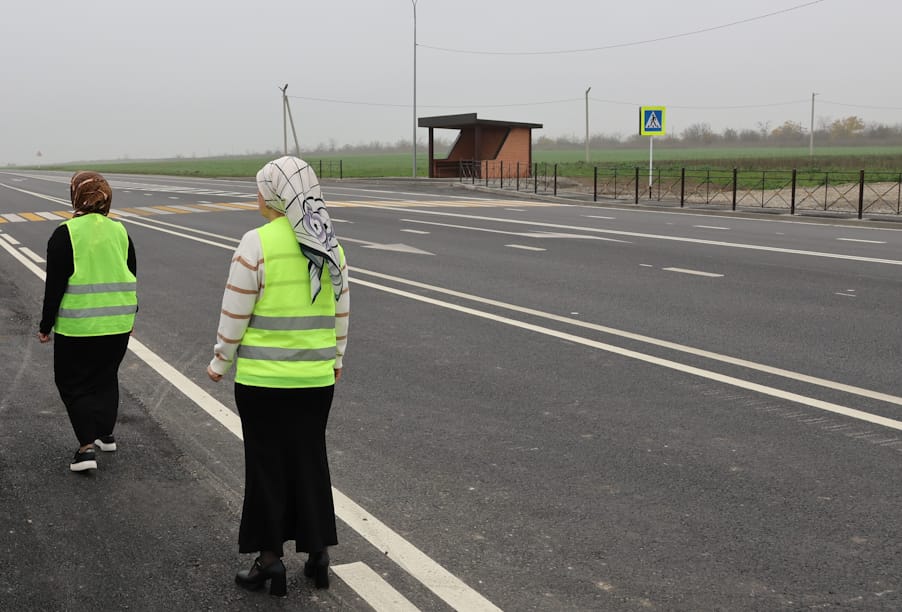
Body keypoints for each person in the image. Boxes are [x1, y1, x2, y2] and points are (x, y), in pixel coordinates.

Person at [207, 156, 350, 596]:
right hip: (315, 381)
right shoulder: (329, 242)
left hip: (263, 382)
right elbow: (341, 308)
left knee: (266, 467)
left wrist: (220, 360)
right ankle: (318, 555)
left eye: (260, 190)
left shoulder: (256, 243)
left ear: (274, 195)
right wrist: (336, 358)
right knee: (310, 461)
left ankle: (269, 562)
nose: (257, 197)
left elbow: (236, 309)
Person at [38, 171, 138, 473]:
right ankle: (105, 435)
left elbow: (54, 286)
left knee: (73, 383)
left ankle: (85, 449)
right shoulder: (120, 231)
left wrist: (45, 325)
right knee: (106, 377)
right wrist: (131, 315)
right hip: (118, 324)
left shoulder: (65, 234)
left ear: (76, 196)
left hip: (79, 327)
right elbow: (130, 274)